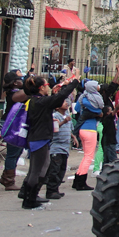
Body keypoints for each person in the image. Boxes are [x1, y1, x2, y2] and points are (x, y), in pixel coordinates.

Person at [22, 74, 79, 209]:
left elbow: (55, 100)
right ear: (41, 88)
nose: (48, 87)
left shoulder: (35, 100)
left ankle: (31, 195)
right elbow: (60, 97)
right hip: (39, 138)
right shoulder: (40, 101)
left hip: (38, 137)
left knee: (42, 166)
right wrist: (74, 82)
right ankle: (29, 199)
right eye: (47, 85)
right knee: (36, 170)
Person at [0, 71, 27, 191]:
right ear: (15, 82)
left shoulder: (14, 93)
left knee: (16, 152)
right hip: (12, 125)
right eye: (20, 79)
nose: (22, 81)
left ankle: (6, 177)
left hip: (16, 124)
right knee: (12, 153)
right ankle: (8, 181)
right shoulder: (14, 95)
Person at [73, 80, 104, 191]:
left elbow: (76, 109)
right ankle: (81, 182)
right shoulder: (95, 100)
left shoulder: (82, 98)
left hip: (82, 129)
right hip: (90, 129)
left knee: (85, 156)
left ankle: (77, 178)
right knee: (89, 156)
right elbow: (99, 111)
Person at [44, 99, 72, 199]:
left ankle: (56, 189)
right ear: (57, 107)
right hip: (56, 147)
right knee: (54, 170)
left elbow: (69, 129)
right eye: (63, 102)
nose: (66, 103)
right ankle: (50, 191)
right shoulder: (55, 116)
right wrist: (64, 122)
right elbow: (53, 129)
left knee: (61, 170)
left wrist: (73, 137)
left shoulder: (67, 116)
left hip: (65, 148)